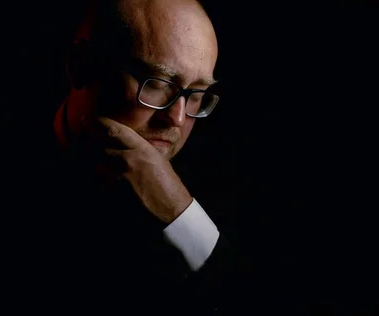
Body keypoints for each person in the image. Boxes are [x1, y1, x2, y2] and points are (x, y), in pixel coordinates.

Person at [35, 0, 241, 313]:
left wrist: (178, 216)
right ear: (81, 66)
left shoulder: (229, 193)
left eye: (196, 94)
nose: (178, 118)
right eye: (157, 84)